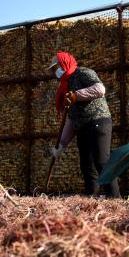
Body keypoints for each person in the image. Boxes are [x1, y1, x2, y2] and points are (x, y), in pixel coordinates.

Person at [48, 52, 120, 197]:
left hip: (97, 122)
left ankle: (115, 198)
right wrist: (61, 144)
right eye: (54, 69)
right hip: (82, 127)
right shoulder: (65, 85)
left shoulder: (83, 73)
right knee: (86, 165)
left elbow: (100, 89)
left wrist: (76, 95)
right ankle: (91, 197)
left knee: (101, 161)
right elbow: (71, 119)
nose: (56, 71)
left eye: (57, 67)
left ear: (64, 64)